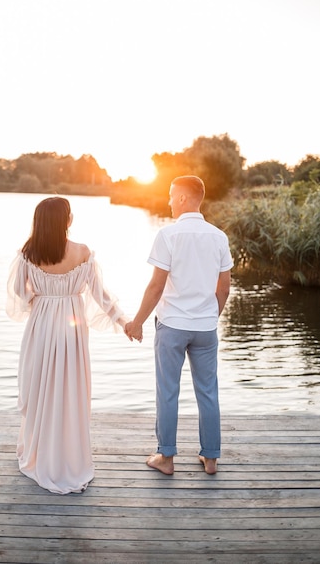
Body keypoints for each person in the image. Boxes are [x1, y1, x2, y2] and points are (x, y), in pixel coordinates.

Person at [6, 196, 129, 494]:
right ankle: (68, 458)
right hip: (72, 330)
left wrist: (42, 297)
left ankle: (40, 453)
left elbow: (18, 295)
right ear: (67, 221)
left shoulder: (29, 253)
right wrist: (124, 322)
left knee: (41, 388)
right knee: (69, 389)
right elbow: (101, 296)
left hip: (42, 326)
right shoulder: (83, 252)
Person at [125, 175, 233, 476]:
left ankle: (167, 459)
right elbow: (223, 288)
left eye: (172, 195)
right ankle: (210, 459)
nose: (169, 200)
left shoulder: (168, 235)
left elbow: (156, 286)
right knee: (208, 391)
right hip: (205, 328)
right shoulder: (218, 237)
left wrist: (137, 322)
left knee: (168, 391)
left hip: (172, 325)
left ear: (184, 198)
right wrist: (210, 316)